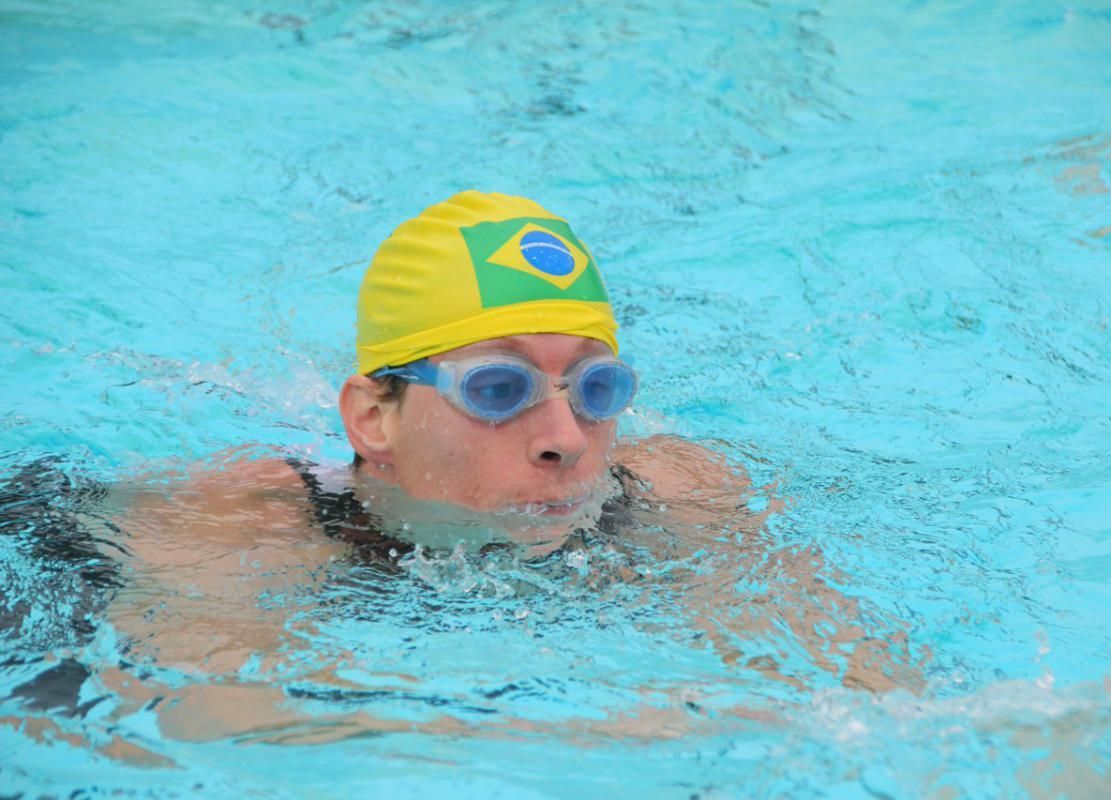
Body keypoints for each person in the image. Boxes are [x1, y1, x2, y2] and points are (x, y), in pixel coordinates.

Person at [4, 191, 918, 751]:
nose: (565, 436)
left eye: (596, 387)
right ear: (372, 418)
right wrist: (586, 733)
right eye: (498, 388)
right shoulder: (240, 525)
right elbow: (201, 735)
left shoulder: (679, 489)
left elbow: (886, 705)